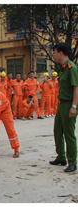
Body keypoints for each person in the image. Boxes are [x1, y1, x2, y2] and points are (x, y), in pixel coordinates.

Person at [50, 42, 78, 172]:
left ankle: (72, 162)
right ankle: (61, 157)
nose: (54, 55)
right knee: (57, 131)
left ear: (60, 53)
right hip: (61, 104)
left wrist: (74, 106)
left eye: (55, 52)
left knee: (69, 134)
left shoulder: (72, 68)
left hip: (68, 104)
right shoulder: (62, 68)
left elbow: (76, 88)